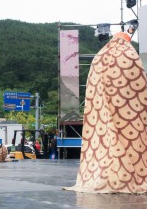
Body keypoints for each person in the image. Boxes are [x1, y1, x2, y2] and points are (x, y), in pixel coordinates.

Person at [63, 31, 147, 194]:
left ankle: (105, 171)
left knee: (104, 139)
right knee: (130, 139)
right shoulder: (131, 55)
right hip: (129, 113)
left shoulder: (99, 57)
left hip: (100, 113)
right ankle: (131, 172)